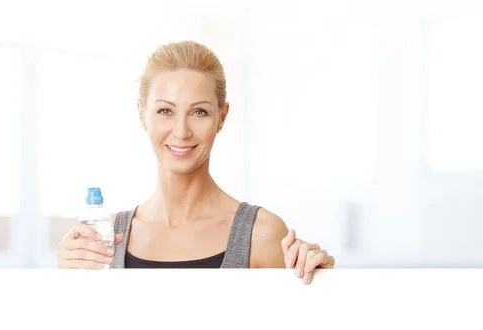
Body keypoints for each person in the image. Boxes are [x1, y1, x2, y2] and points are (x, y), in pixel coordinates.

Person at [56, 40, 335, 284]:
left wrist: (324, 285)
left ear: (222, 118)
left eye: (199, 112)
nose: (181, 131)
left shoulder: (261, 234)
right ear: (142, 115)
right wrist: (64, 279)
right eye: (165, 110)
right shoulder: (105, 238)